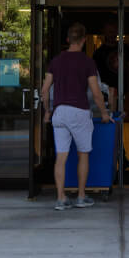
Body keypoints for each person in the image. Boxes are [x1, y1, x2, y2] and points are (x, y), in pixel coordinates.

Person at [40, 23, 112, 211]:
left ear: (67, 40)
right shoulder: (87, 62)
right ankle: (81, 196)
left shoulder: (55, 61)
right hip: (79, 112)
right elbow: (96, 92)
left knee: (61, 157)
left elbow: (45, 90)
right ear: (84, 40)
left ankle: (61, 198)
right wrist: (104, 114)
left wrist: (48, 111)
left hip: (60, 112)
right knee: (83, 155)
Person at [92, 20, 129, 113]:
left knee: (120, 118)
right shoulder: (98, 53)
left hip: (122, 90)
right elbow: (94, 74)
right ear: (105, 33)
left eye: (114, 31)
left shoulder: (124, 48)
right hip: (105, 92)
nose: (112, 34)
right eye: (109, 31)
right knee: (109, 117)